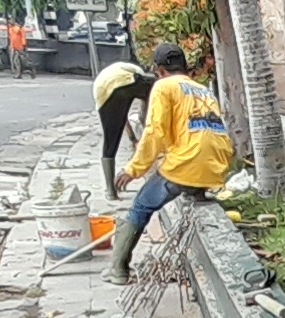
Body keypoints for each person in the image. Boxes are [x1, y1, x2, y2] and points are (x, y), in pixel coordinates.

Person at [105, 42, 233, 285]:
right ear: (184, 67)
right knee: (187, 179)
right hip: (215, 167)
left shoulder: (164, 86)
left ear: (158, 69)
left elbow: (155, 133)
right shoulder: (203, 90)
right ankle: (197, 193)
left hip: (186, 166)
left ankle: (118, 270)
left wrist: (133, 169)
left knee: (141, 206)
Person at [92, 56, 150, 201]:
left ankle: (111, 191)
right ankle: (151, 131)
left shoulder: (108, 77)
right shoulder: (136, 71)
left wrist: (132, 138)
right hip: (128, 80)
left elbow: (121, 118)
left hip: (103, 91)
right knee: (154, 92)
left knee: (111, 140)